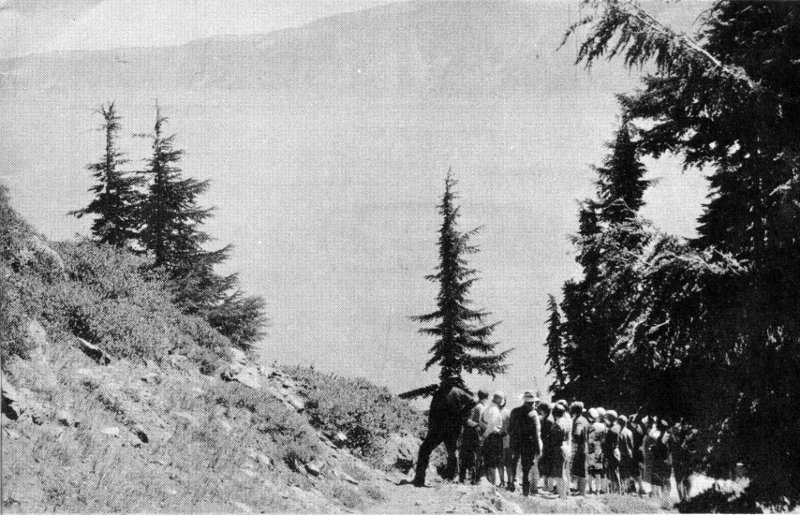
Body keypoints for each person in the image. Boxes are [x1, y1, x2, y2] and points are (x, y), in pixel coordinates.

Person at [412, 375, 476, 487]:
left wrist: (431, 426)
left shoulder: (438, 393)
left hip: (438, 429)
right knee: (452, 453)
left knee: (425, 450)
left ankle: (419, 479)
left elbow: (432, 412)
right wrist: (461, 413)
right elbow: (473, 401)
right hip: (452, 428)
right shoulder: (458, 392)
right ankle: (450, 479)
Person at [508, 391, 543, 495]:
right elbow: (536, 434)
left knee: (515, 466)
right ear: (532, 402)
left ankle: (513, 487)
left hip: (516, 443)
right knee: (526, 470)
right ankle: (525, 493)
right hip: (528, 445)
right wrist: (538, 449)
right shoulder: (533, 414)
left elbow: (510, 429)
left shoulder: (514, 411)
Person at [460, 388, 489, 484]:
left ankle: (462, 478)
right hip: (475, 434)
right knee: (474, 456)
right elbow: (481, 422)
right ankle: (473, 479)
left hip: (466, 433)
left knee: (464, 455)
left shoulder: (472, 405)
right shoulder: (481, 407)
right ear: (486, 398)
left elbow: (464, 418)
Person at [480, 391, 506, 486]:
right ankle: (492, 484)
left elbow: (482, 422)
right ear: (499, 400)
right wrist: (485, 435)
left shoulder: (487, 408)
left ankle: (490, 483)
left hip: (489, 437)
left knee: (488, 462)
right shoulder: (494, 409)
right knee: (492, 463)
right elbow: (491, 426)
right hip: (493, 437)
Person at [551, 402, 572, 499]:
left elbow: (554, 440)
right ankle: (566, 492)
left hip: (559, 449)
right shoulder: (566, 422)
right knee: (564, 471)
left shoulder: (557, 425)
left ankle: (562, 495)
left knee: (559, 473)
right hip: (566, 447)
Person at [649, 418, 672, 501]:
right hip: (663, 459)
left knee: (660, 477)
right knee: (663, 477)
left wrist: (652, 448)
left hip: (661, 459)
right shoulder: (665, 435)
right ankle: (662, 495)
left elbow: (661, 447)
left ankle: (660, 495)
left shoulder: (664, 436)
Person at [586, 407, 607, 494]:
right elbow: (604, 440)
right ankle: (598, 490)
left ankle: (590, 489)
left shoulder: (590, 427)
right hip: (599, 450)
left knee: (590, 470)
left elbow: (589, 440)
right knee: (599, 471)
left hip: (591, 451)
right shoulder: (603, 426)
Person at [570, 401, 589, 495]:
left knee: (581, 469)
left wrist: (571, 438)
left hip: (580, 447)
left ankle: (582, 491)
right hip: (584, 446)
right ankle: (580, 490)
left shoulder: (578, 421)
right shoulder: (584, 419)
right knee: (581, 468)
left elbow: (578, 434)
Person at [537, 401, 555, 493]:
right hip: (547, 446)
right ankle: (547, 485)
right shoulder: (547, 419)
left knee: (548, 467)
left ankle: (548, 486)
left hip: (548, 446)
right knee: (546, 466)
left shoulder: (548, 421)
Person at [603, 410, 621, 493]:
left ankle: (616, 491)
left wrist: (606, 455)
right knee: (615, 472)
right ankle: (617, 491)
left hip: (612, 453)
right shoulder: (617, 427)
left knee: (613, 473)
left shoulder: (611, 430)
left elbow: (608, 444)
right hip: (616, 452)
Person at [617, 415, 635, 494]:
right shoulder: (629, 432)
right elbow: (631, 445)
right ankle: (629, 489)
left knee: (621, 472)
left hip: (620, 455)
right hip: (629, 455)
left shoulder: (617, 432)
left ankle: (622, 489)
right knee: (629, 472)